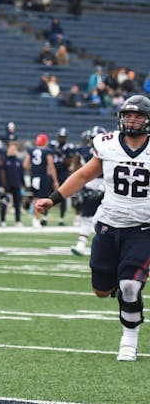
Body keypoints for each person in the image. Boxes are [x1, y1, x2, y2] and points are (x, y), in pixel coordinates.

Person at [35, 96, 150, 361]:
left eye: (139, 116)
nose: (133, 120)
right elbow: (84, 175)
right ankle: (122, 288)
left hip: (143, 227)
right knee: (101, 290)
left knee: (131, 285)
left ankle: (128, 341)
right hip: (109, 224)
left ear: (147, 120)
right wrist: (53, 198)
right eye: (129, 115)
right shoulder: (107, 144)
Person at [69, 126, 106, 256]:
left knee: (103, 219)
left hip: (107, 187)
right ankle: (81, 244)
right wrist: (81, 188)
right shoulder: (85, 151)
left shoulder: (110, 152)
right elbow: (78, 171)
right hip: (89, 186)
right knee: (86, 216)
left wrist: (102, 188)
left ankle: (105, 245)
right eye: (92, 138)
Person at [25, 133, 58, 228]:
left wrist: (34, 169)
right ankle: (36, 219)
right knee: (39, 198)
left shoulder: (31, 150)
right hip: (42, 177)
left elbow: (25, 165)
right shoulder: (47, 151)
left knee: (36, 197)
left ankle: (36, 219)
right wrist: (55, 180)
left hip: (34, 177)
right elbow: (51, 166)